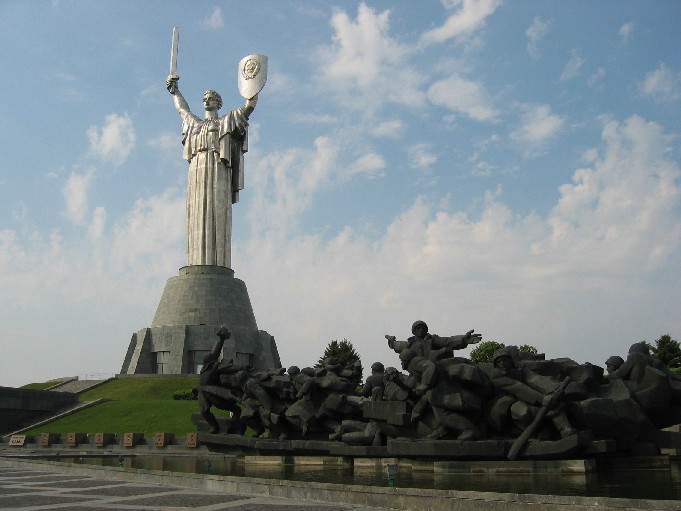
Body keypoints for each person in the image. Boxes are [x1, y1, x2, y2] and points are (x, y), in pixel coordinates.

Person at [166, 74, 258, 268]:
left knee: (217, 212)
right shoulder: (195, 124)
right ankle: (195, 263)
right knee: (196, 214)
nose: (207, 101)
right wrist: (175, 92)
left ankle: (217, 263)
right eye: (205, 99)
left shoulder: (225, 122)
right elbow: (182, 109)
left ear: (219, 103)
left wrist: (253, 86)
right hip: (197, 170)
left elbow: (248, 107)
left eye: (211, 98)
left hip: (218, 168)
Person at [386, 320, 481, 362]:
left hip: (434, 368)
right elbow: (396, 345)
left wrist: (463, 339)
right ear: (414, 331)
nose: (421, 330)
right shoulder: (409, 344)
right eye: (418, 328)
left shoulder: (432, 339)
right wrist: (391, 341)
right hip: (417, 371)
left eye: (423, 328)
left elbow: (448, 341)